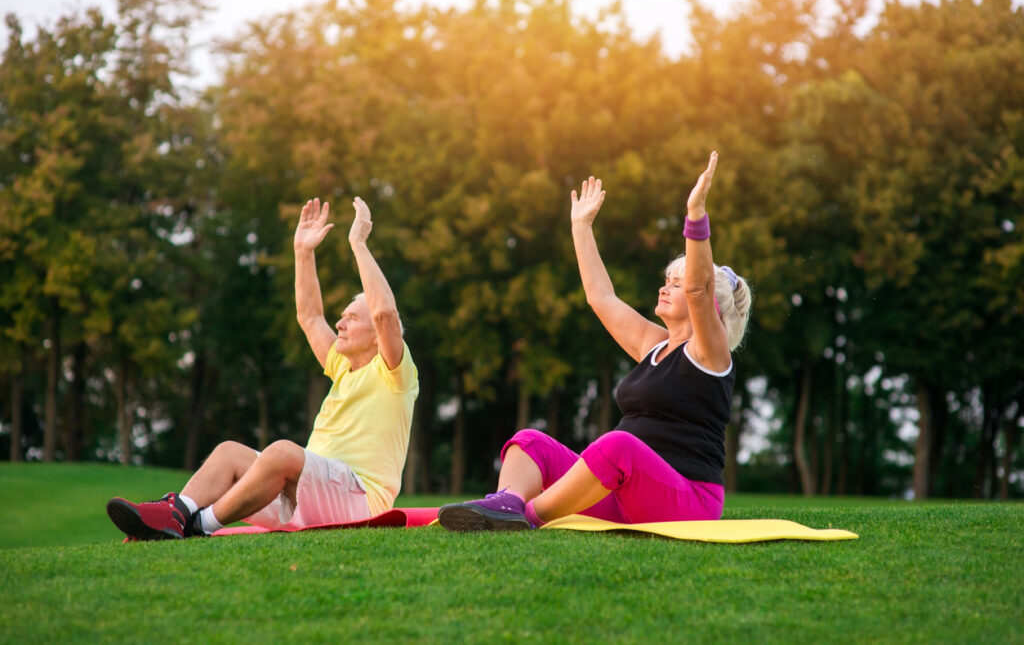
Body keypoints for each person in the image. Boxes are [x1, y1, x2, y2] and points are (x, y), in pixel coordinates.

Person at [439, 152, 751, 531]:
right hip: (626, 493)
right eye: (668, 280)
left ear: (709, 307)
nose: (665, 288)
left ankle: (527, 516)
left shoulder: (710, 355)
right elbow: (601, 298)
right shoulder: (653, 345)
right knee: (529, 441)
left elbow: (700, 288)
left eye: (676, 283)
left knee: (618, 445)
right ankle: (506, 502)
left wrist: (696, 216)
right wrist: (581, 227)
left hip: (688, 499)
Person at [107, 197, 418, 540]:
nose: (340, 323)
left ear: (376, 336)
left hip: (359, 501)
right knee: (228, 453)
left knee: (283, 452)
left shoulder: (395, 372)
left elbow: (385, 314)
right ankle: (175, 514)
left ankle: (200, 524)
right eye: (342, 315)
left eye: (351, 317)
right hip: (310, 493)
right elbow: (310, 316)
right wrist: (303, 252)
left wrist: (358, 244)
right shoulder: (342, 366)